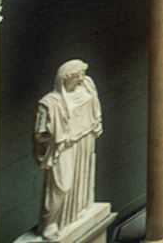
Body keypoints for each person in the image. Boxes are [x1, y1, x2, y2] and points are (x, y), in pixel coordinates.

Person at [33, 59, 103, 239]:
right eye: (77, 75)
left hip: (85, 139)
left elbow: (94, 108)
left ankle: (79, 209)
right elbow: (40, 134)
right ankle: (49, 224)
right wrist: (58, 134)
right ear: (65, 78)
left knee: (82, 178)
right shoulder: (50, 103)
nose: (81, 78)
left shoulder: (86, 87)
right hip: (64, 146)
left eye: (81, 74)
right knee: (62, 186)